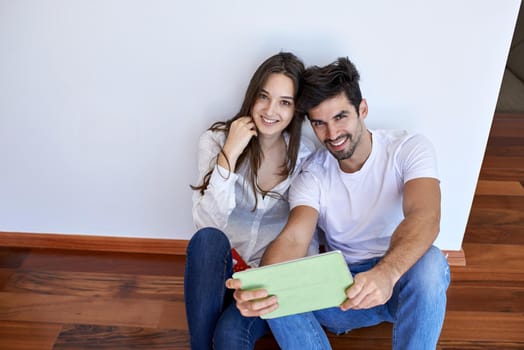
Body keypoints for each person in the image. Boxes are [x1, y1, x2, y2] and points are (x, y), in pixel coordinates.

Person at [227, 57, 450, 349]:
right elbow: (294, 237)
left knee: (431, 263)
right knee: (276, 291)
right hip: (342, 295)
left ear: (363, 109)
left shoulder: (408, 148)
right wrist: (263, 285)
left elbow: (425, 216)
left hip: (398, 281)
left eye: (341, 117)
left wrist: (385, 274)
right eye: (320, 123)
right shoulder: (313, 172)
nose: (332, 134)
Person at [184, 52, 317, 350]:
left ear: (296, 109)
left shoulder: (306, 159)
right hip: (220, 270)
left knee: (229, 335)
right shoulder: (216, 140)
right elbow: (207, 225)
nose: (271, 110)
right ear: (251, 96)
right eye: (264, 97)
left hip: (264, 277)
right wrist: (230, 154)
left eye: (285, 102)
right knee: (206, 239)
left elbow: (304, 234)